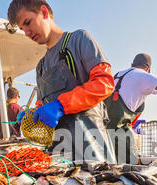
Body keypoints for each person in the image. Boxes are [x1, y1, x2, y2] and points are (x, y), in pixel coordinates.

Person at [8, 0, 116, 163]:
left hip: (93, 149)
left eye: (27, 23)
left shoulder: (79, 40)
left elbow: (104, 83)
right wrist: (32, 115)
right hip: (59, 154)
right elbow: (42, 106)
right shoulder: (40, 67)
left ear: (44, 12)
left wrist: (61, 105)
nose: (27, 33)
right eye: (22, 29)